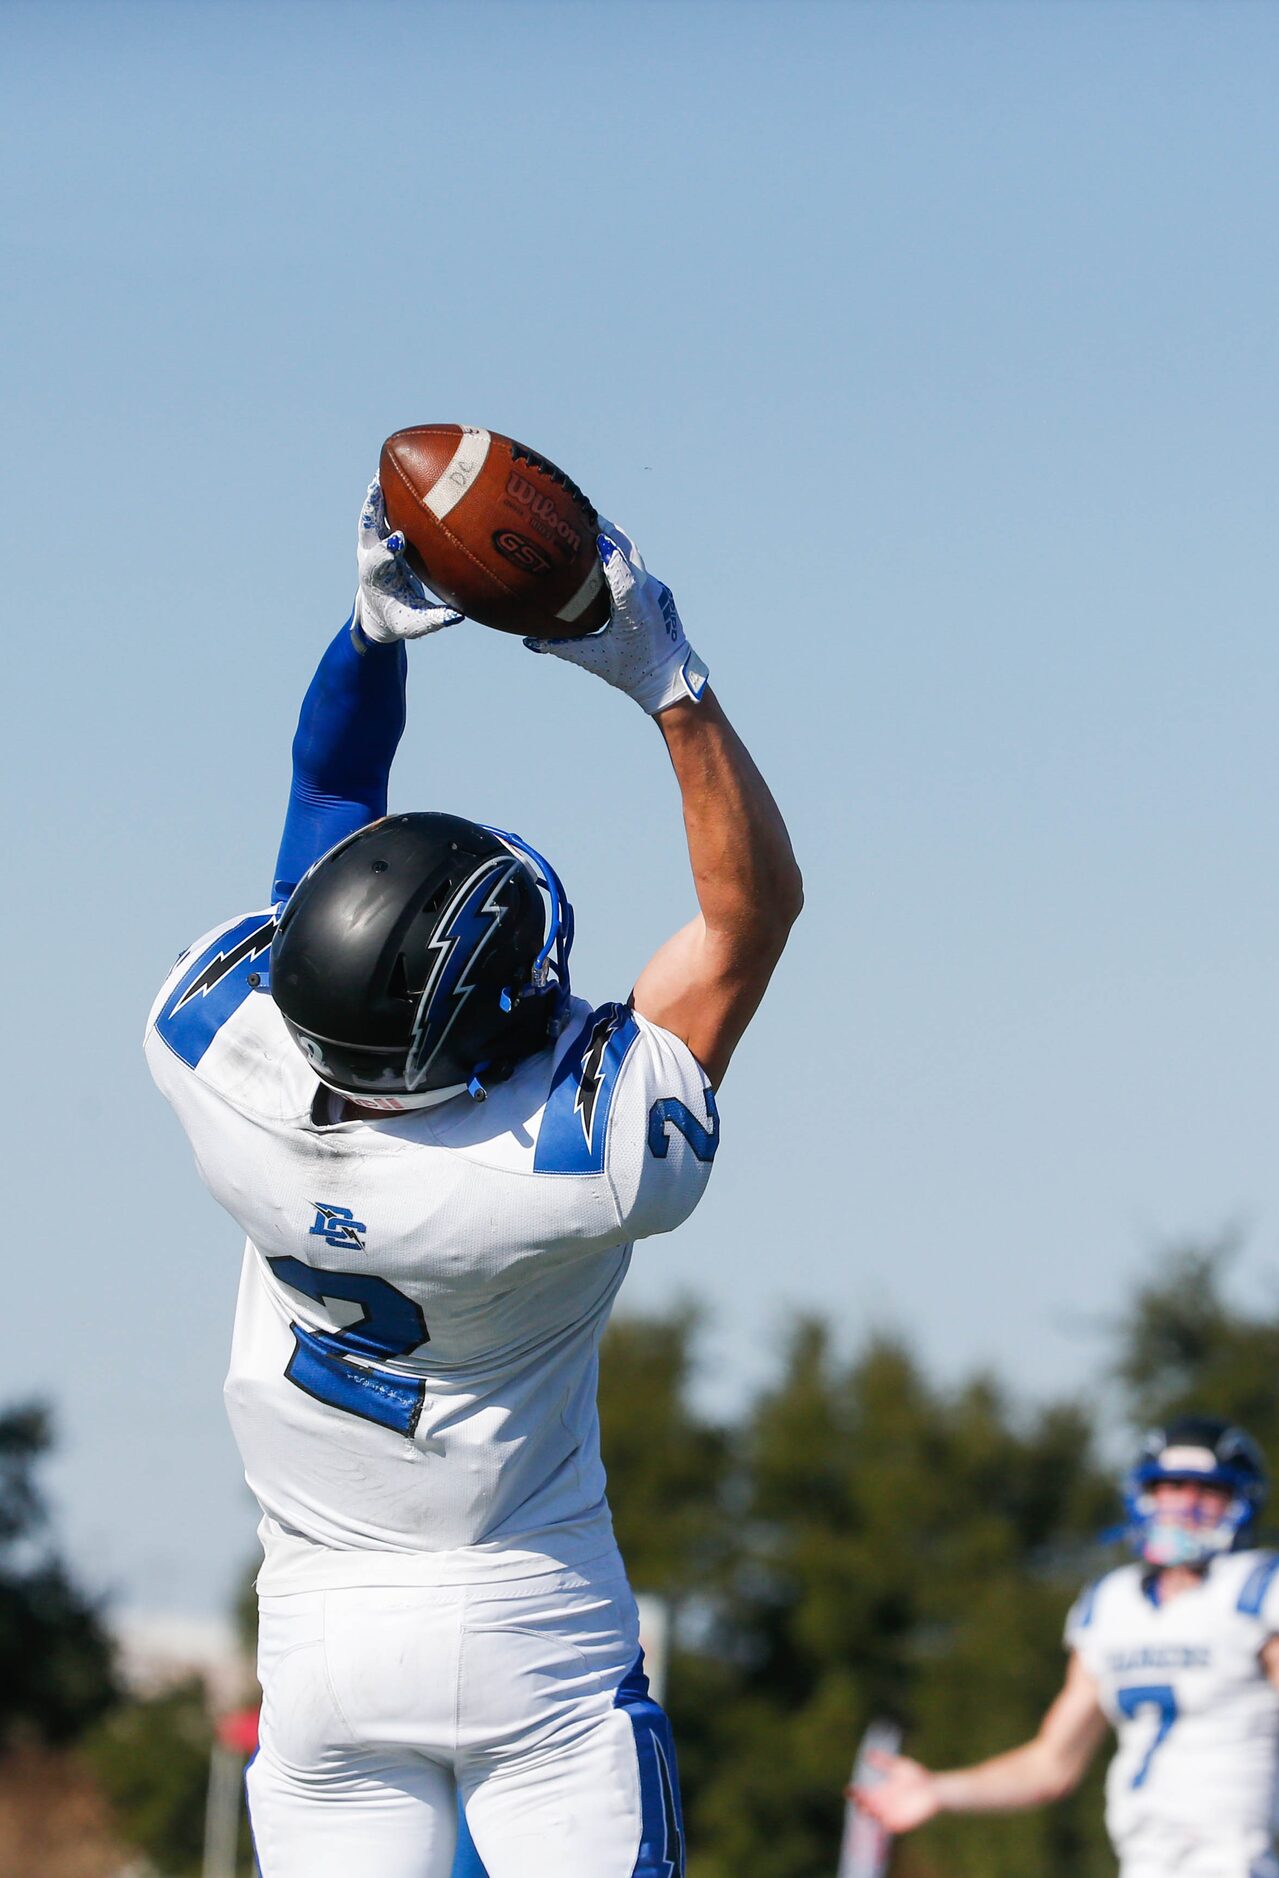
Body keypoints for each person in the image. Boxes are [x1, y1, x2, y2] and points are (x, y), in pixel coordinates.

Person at [144, 476, 802, 1878]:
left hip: (317, 1636)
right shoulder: (570, 1163)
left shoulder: (218, 1064)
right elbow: (748, 918)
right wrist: (668, 682)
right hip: (528, 1618)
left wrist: (366, 639)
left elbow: (330, 799)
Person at [850, 1416, 1279, 1878]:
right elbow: (1050, 1764)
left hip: (1227, 1861)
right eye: (1171, 1487)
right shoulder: (1112, 1607)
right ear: (1145, 1495)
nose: (1184, 1505)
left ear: (1238, 1502)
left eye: (1205, 1490)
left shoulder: (1256, 1595)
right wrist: (940, 1791)